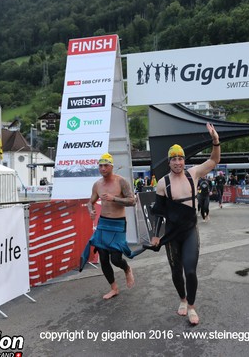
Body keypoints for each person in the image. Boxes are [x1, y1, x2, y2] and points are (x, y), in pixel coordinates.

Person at [148, 123, 220, 326]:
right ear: (169, 161)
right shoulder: (163, 183)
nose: (177, 162)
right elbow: (159, 213)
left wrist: (215, 140)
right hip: (171, 234)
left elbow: (214, 160)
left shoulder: (194, 174)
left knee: (190, 270)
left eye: (180, 158)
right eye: (174, 159)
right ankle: (182, 298)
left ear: (184, 160)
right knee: (176, 271)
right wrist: (155, 235)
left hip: (189, 231)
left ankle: (191, 307)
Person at [86, 153, 137, 300]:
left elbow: (132, 201)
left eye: (105, 165)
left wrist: (114, 198)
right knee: (103, 258)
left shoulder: (121, 182)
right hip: (103, 224)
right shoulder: (97, 185)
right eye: (100, 165)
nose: (103, 168)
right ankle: (114, 287)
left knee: (115, 259)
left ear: (111, 166)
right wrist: (91, 211)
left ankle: (127, 269)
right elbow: (90, 203)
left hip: (118, 223)